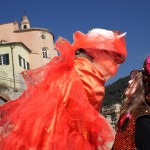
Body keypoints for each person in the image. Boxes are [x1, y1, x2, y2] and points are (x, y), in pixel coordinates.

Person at [0, 28, 127, 150]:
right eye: (110, 55)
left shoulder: (67, 69)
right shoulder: (87, 74)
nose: (113, 63)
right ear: (97, 51)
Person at [113, 56, 150, 150]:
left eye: (134, 79)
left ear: (143, 86)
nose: (129, 81)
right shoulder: (130, 115)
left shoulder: (143, 119)